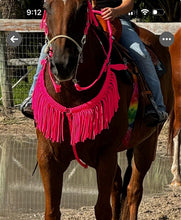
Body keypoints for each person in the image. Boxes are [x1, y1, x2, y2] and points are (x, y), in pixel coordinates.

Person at [21, 0, 168, 126]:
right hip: (85, 19)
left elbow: (128, 4)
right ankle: (32, 97)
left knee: (141, 53)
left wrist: (115, 11)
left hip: (117, 20)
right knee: (46, 50)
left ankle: (156, 105)